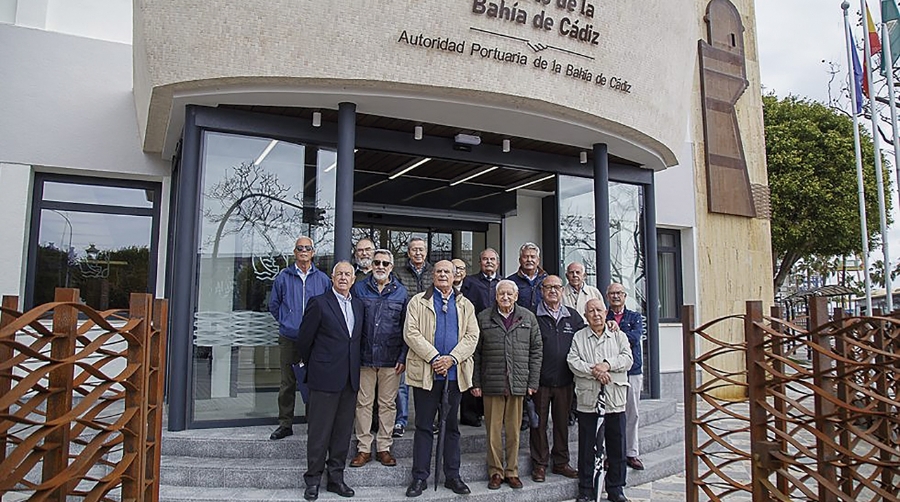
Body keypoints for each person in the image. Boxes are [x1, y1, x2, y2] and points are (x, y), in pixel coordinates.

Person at [402, 260, 480, 498]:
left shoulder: (465, 304)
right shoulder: (418, 301)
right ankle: (419, 477)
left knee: (452, 428)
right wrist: (435, 357)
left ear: (455, 275)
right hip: (427, 374)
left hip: (454, 376)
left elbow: (472, 335)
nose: (443, 275)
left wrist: (452, 359)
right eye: (439, 271)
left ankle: (453, 476)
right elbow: (411, 332)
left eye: (448, 271)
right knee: (424, 426)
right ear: (432, 276)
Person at [296, 261, 364, 501]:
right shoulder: (319, 302)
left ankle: (336, 478)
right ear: (332, 278)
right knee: (319, 432)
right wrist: (316, 364)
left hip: (349, 379)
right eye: (339, 274)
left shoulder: (358, 304)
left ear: (354, 279)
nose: (344, 278)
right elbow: (304, 340)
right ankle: (313, 480)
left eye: (348, 274)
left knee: (342, 433)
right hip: (324, 377)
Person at [471, 279, 542, 490]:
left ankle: (512, 471)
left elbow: (537, 351)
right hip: (491, 382)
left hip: (518, 383)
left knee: (514, 431)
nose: (505, 297)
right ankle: (495, 471)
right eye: (501, 294)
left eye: (509, 294)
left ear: (516, 296)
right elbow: (475, 354)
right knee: (493, 431)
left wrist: (533, 381)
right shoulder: (483, 317)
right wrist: (476, 382)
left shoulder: (527, 317)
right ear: (496, 296)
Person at [567, 299, 633, 502]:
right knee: (587, 447)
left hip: (614, 400)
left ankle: (616, 489)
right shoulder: (579, 336)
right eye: (590, 311)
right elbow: (573, 361)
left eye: (598, 310)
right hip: (589, 400)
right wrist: (594, 371)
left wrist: (607, 364)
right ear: (585, 316)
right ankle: (586, 490)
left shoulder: (618, 335)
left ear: (606, 313)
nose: (595, 314)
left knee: (617, 446)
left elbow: (627, 359)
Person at [349, 249, 409, 468]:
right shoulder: (359, 289)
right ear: (371, 265)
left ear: (391, 267)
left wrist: (403, 356)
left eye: (385, 263)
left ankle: (384, 447)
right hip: (364, 358)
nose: (381, 266)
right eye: (377, 262)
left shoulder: (401, 293)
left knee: (387, 405)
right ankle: (363, 449)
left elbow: (406, 329)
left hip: (390, 359)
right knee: (363, 404)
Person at [268, 236, 331, 441]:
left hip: (315, 340)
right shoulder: (283, 277)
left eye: (307, 248)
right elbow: (274, 305)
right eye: (299, 248)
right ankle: (285, 424)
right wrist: (287, 322)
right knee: (287, 382)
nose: (303, 251)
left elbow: (329, 307)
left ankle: (314, 422)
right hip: (289, 338)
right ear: (294, 252)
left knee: (314, 382)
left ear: (313, 252)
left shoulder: (322, 279)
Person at [530, 275, 584, 483]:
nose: (553, 291)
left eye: (557, 287)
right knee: (538, 425)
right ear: (541, 290)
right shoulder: (533, 315)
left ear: (562, 291)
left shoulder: (573, 316)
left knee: (562, 424)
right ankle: (540, 464)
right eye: (548, 287)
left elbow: (586, 338)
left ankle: (561, 462)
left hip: (565, 381)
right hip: (540, 381)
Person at [392, 237, 434, 438]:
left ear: (426, 252)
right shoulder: (398, 273)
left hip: (428, 332)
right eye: (414, 250)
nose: (418, 253)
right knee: (401, 382)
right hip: (403, 329)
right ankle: (401, 420)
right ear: (408, 253)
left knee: (427, 379)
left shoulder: (434, 272)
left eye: (421, 250)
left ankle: (426, 420)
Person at [458, 248, 500, 427]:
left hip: (496, 333)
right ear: (479, 262)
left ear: (497, 263)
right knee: (471, 373)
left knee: (490, 372)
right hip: (473, 332)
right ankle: (470, 414)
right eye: (485, 259)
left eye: (492, 259)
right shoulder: (470, 282)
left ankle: (488, 412)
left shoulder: (503, 283)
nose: (488, 262)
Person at [606, 283, 645, 471]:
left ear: (625, 295)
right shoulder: (603, 316)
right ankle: (609, 453)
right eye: (612, 293)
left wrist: (615, 332)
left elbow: (635, 338)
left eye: (619, 293)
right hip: (611, 372)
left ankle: (632, 452)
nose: (615, 296)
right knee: (610, 414)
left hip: (632, 371)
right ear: (607, 296)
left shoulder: (635, 317)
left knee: (632, 413)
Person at [507, 242, 548, 312]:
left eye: (533, 257)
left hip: (543, 321)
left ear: (538, 260)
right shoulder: (510, 282)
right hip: (520, 321)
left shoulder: (547, 280)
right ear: (520, 260)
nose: (529, 260)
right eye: (525, 257)